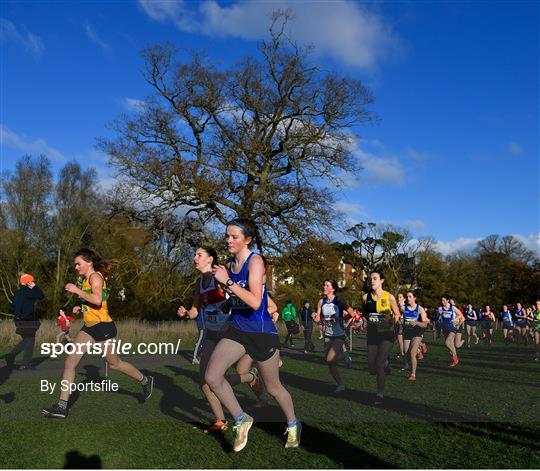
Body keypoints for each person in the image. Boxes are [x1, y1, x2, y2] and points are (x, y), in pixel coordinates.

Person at [205, 219, 300, 452]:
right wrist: (225, 307)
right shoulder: (229, 263)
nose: (228, 240)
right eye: (227, 235)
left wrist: (227, 281)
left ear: (247, 239)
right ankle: (240, 419)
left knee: (274, 388)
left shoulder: (255, 261)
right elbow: (236, 300)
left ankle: (293, 425)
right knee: (212, 377)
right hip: (238, 331)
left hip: (261, 333)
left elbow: (257, 302)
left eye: (234, 236)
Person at [42, 248, 153, 419]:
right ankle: (61, 407)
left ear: (89, 262)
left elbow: (97, 299)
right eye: (75, 265)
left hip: (103, 327)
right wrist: (82, 307)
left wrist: (76, 291)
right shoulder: (86, 280)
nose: (76, 267)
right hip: (89, 328)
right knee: (70, 363)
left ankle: (145, 380)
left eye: (78, 263)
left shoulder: (95, 277)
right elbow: (94, 302)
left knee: (114, 364)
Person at [177, 246, 231, 433]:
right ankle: (220, 420)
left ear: (210, 259)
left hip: (229, 333)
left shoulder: (221, 275)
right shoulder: (200, 283)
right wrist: (185, 313)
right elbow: (194, 312)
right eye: (195, 254)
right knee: (204, 383)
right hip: (210, 334)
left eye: (199, 255)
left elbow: (237, 296)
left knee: (218, 377)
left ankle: (241, 413)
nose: (194, 258)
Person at [363, 270, 401, 405]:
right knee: (372, 369)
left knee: (378, 365)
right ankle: (386, 362)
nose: (371, 281)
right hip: (372, 334)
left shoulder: (389, 297)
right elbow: (365, 315)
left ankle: (380, 394)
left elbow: (397, 314)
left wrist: (391, 322)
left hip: (387, 334)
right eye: (370, 279)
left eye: (375, 278)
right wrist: (364, 321)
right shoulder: (365, 297)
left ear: (382, 281)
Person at [312, 280, 352, 393]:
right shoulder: (321, 301)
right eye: (324, 285)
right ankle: (340, 384)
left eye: (327, 285)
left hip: (339, 334)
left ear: (333, 289)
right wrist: (314, 317)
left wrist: (341, 319)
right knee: (330, 362)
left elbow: (352, 314)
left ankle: (344, 357)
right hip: (328, 335)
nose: (324, 287)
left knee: (330, 359)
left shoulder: (339, 300)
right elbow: (318, 319)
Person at [4, 273, 44, 370]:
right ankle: (15, 358)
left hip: (19, 320)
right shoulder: (29, 292)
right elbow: (41, 296)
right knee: (29, 340)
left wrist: (18, 315)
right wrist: (35, 287)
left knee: (28, 340)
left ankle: (24, 362)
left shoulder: (18, 292)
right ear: (29, 282)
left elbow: (12, 306)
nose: (33, 283)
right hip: (28, 320)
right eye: (32, 281)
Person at [402, 291, 429, 381]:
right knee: (406, 353)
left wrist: (417, 322)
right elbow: (399, 318)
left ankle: (413, 374)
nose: (408, 298)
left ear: (414, 298)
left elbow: (425, 324)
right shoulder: (403, 308)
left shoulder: (419, 309)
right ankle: (421, 346)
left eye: (410, 296)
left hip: (417, 333)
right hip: (406, 333)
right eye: (407, 296)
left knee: (412, 353)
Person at [440, 296, 465, 367]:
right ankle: (454, 360)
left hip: (452, 328)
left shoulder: (453, 308)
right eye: (442, 301)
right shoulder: (441, 308)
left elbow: (461, 315)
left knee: (447, 342)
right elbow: (440, 318)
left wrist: (455, 320)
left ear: (447, 300)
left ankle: (455, 357)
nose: (442, 302)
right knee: (449, 347)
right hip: (445, 328)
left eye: (444, 300)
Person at [396, 293, 406, 361]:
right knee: (401, 347)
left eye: (400, 297)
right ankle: (406, 363)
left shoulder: (405, 307)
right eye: (398, 297)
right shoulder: (396, 306)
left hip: (406, 328)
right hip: (399, 328)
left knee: (407, 347)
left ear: (404, 299)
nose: (398, 299)